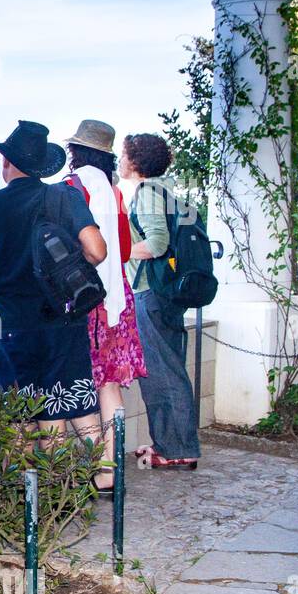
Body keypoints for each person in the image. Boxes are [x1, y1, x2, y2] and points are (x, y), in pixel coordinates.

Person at [0, 121, 107, 444]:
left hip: (11, 324)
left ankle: (30, 493)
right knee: (63, 411)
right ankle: (84, 483)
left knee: (18, 419)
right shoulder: (64, 197)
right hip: (62, 321)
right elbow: (97, 251)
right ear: (42, 167)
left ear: (6, 162)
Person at [63, 120, 148, 494]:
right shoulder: (114, 193)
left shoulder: (71, 188)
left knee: (76, 385)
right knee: (109, 385)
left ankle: (68, 470)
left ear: (75, 152)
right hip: (117, 298)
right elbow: (125, 250)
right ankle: (111, 471)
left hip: (83, 301)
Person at [121, 133, 200, 469]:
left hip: (150, 292)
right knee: (168, 367)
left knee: (161, 372)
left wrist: (118, 252)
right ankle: (168, 443)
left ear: (137, 161)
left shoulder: (149, 193)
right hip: (165, 293)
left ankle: (178, 449)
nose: (120, 160)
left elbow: (156, 244)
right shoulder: (165, 191)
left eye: (123, 154)